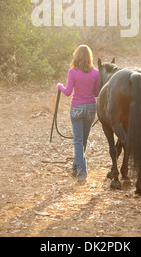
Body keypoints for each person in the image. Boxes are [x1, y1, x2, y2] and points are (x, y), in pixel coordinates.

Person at [57, 45, 100, 183]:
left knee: (78, 141)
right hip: (91, 109)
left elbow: (68, 92)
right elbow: (96, 93)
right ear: (89, 57)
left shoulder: (73, 72)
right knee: (83, 141)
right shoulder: (96, 73)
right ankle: (76, 168)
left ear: (77, 56)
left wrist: (59, 86)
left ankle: (82, 173)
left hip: (77, 108)